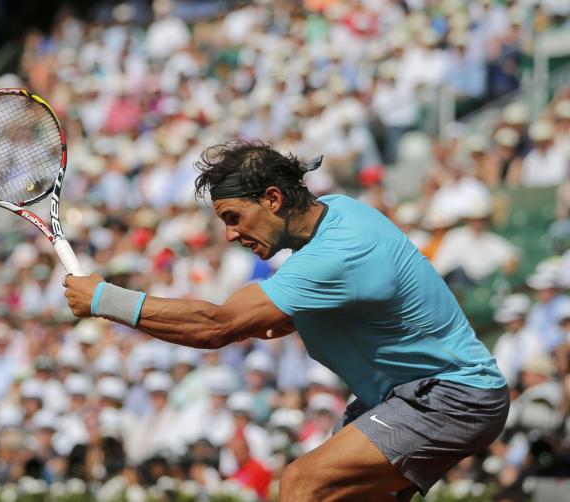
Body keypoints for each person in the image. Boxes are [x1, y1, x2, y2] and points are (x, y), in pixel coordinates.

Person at [63, 140, 509, 501]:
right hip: (409, 396)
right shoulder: (333, 213)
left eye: (234, 218)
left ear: (272, 199)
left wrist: (106, 299)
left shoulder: (336, 253)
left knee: (303, 484)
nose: (230, 234)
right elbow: (272, 322)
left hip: (449, 397)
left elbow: (217, 326)